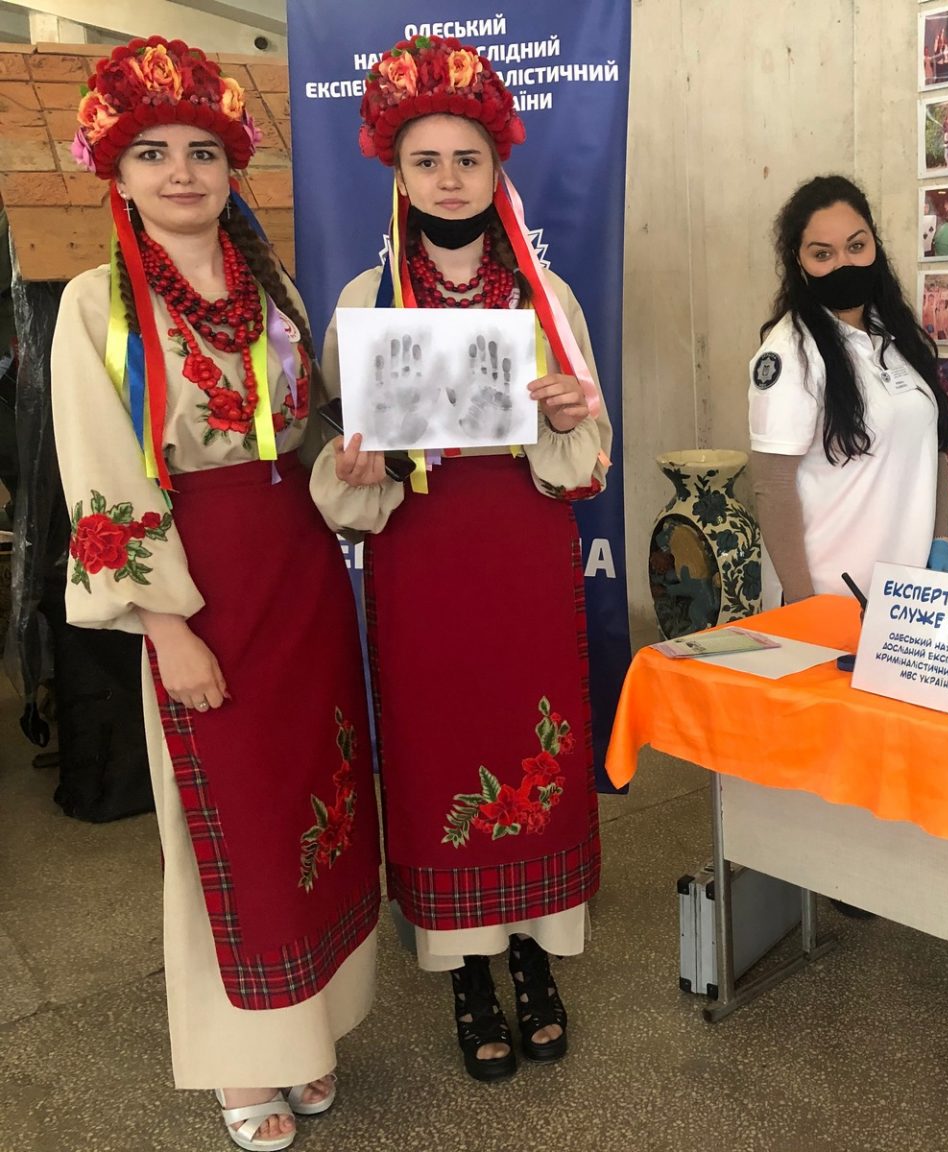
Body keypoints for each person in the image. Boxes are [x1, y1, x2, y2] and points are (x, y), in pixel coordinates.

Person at [53, 37, 380, 1150]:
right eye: (152, 152)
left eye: (201, 150)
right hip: (203, 590)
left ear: (233, 165)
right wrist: (165, 626)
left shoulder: (269, 289)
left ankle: (313, 1029)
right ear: (115, 169)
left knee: (316, 800)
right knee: (226, 822)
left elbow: (305, 438)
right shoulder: (94, 306)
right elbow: (101, 475)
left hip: (300, 574)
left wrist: (355, 469)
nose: (181, 172)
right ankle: (245, 1061)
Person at [312, 35, 612, 1084]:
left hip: (522, 557)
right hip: (423, 562)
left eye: (467, 160)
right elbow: (344, 466)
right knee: (441, 745)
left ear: (497, 170)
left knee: (532, 740)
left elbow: (587, 460)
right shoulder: (365, 302)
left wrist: (570, 418)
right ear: (397, 175)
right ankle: (466, 970)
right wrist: (356, 465)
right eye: (426, 161)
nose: (448, 180)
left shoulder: (545, 295)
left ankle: (532, 952)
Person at [747, 174, 948, 608]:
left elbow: (931, 441)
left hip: (905, 597)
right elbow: (772, 484)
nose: (843, 263)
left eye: (856, 246)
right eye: (822, 254)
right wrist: (804, 605)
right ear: (798, 261)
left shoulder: (894, 334)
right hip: (829, 597)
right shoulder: (791, 352)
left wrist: (941, 538)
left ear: (875, 245)